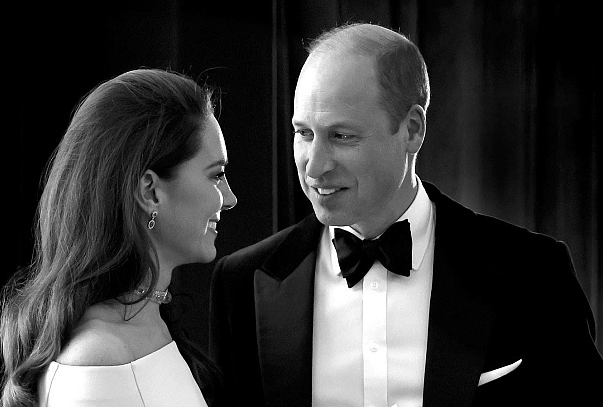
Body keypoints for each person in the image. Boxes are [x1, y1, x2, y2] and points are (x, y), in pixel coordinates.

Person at [209, 23, 603, 407]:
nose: (314, 167)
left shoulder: (535, 272)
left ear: (412, 130)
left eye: (341, 136)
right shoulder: (242, 283)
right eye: (304, 133)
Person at [0, 68, 237, 407]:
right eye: (216, 175)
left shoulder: (142, 323)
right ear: (150, 191)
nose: (230, 198)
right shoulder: (99, 363)